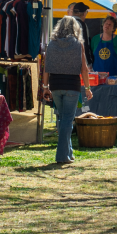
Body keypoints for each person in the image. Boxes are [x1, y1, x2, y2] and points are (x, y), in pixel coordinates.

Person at [41, 17, 93, 165]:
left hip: (55, 85)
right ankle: (61, 156)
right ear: (75, 28)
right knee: (67, 120)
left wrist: (45, 87)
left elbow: (46, 68)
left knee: (63, 119)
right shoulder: (78, 44)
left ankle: (68, 153)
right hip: (72, 85)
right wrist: (88, 88)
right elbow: (84, 69)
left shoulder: (51, 44)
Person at [70, 2, 93, 66]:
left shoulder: (64, 22)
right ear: (83, 13)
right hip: (77, 61)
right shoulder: (81, 24)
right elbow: (85, 45)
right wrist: (88, 64)